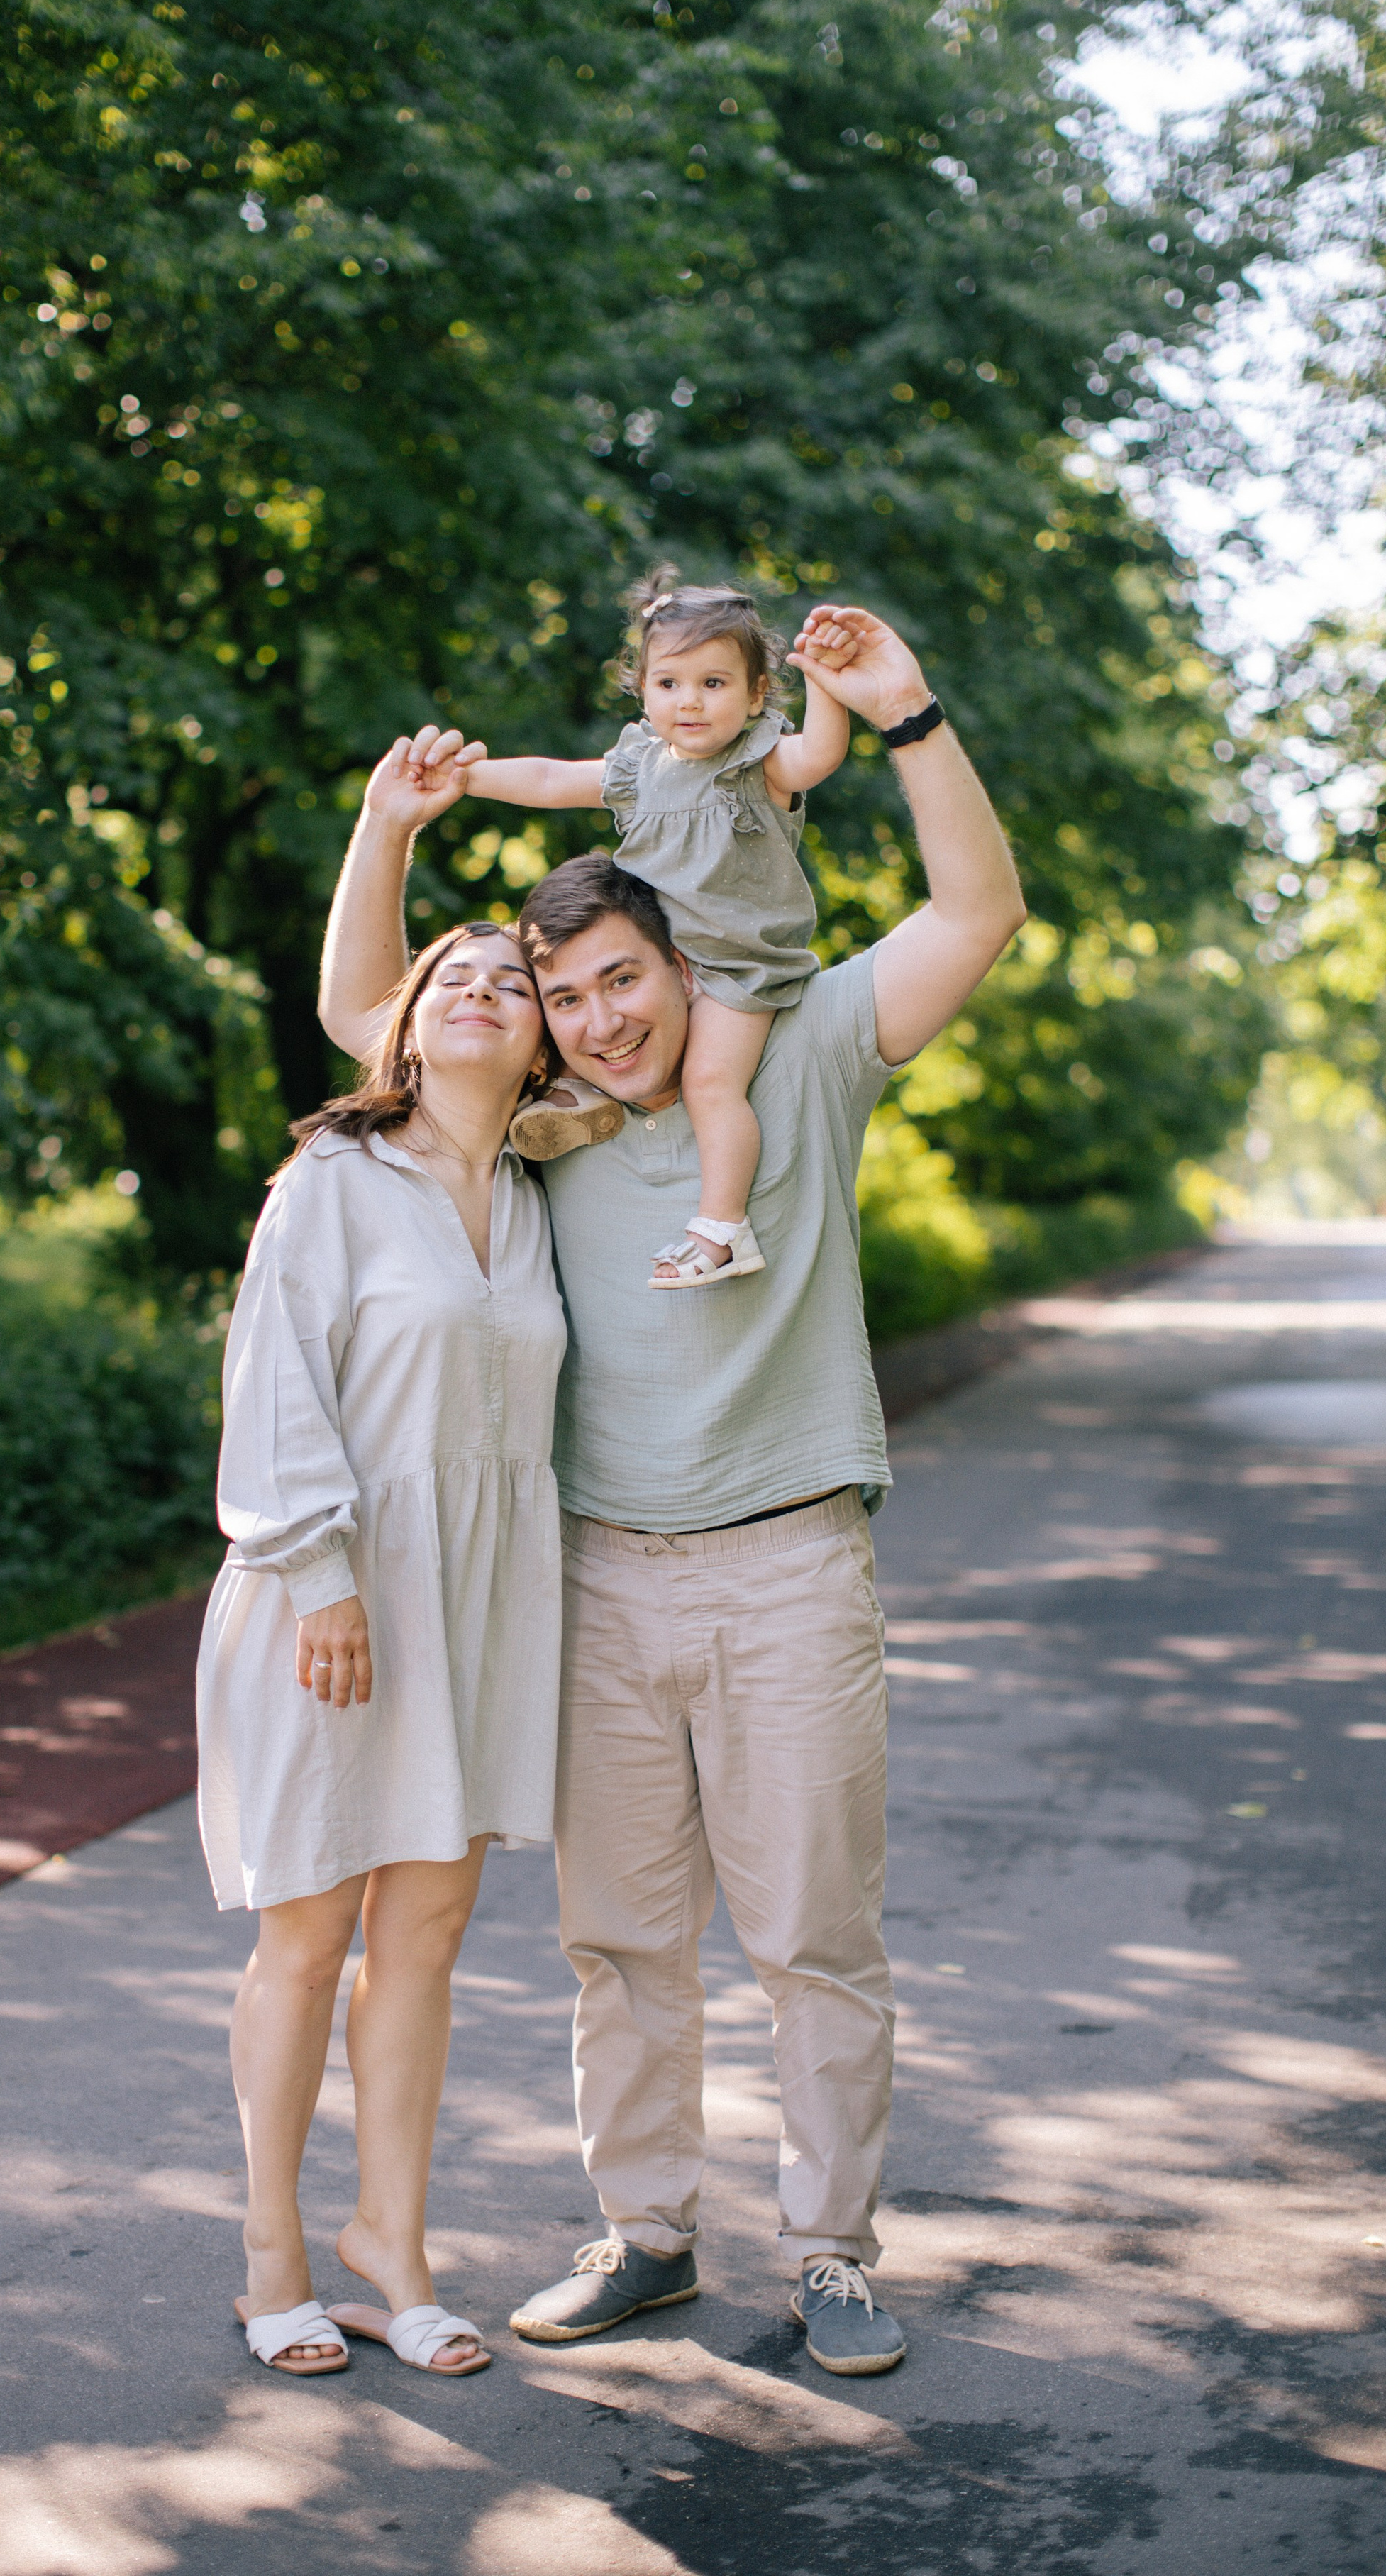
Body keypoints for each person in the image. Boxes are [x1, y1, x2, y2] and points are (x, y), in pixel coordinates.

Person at [318, 605, 1025, 2379]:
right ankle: (642, 2231)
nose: (599, 1016)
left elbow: (973, 915)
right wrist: (387, 826)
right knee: (619, 1938)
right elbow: (361, 1010)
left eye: (623, 977)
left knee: (809, 1939)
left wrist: (908, 719)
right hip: (593, 1586)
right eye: (565, 997)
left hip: (789, 1563)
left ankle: (830, 2251)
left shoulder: (796, 1054)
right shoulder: (533, 1128)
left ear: (679, 963)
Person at [196, 888, 567, 2379]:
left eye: (509, 982)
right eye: (448, 977)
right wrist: (319, 1573)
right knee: (306, 1938)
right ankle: (272, 2256)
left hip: (479, 1607)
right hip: (330, 1601)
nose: (478, 988)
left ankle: (390, 2248)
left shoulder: (543, 1195)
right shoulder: (333, 1179)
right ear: (404, 1031)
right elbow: (272, 1377)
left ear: (540, 1045)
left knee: (426, 1938)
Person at [457, 567, 865, 1288]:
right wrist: (466, 777)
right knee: (594, 1029)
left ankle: (721, 1230)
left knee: (708, 1084)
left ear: (755, 695)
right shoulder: (638, 767)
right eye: (670, 683)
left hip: (738, 971)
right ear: (642, 690)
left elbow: (821, 756)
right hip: (661, 966)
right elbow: (551, 781)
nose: (691, 701)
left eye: (715, 684)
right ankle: (579, 1100)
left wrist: (828, 680)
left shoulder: (758, 762)